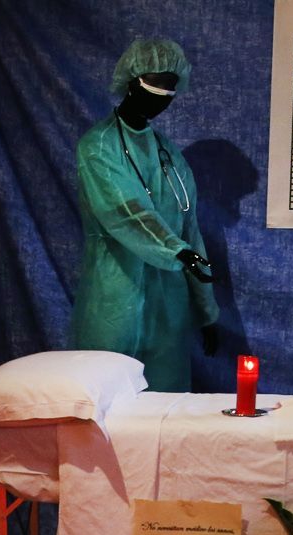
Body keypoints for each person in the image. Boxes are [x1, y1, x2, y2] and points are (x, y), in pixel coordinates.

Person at [71, 37, 218, 392]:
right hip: (115, 299)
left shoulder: (169, 156)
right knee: (106, 409)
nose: (163, 97)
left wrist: (206, 309)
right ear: (131, 81)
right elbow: (125, 211)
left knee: (165, 413)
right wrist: (177, 252)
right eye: (156, 84)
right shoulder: (99, 146)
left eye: (171, 88)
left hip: (168, 308)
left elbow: (189, 229)